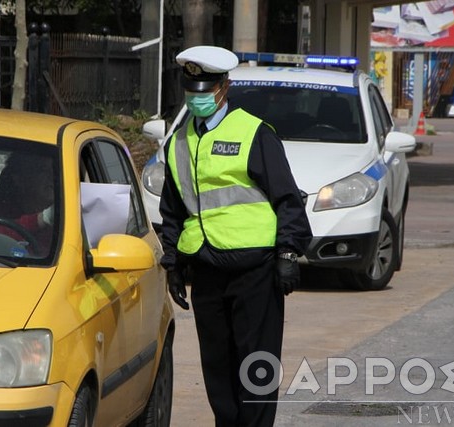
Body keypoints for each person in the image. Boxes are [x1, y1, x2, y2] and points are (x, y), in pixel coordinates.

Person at [159, 45, 313, 427]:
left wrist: (288, 255)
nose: (196, 98)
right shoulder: (179, 141)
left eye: (204, 90)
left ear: (224, 88)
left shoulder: (254, 133)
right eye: (190, 91)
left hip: (255, 272)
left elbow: (288, 199)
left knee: (255, 363)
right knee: (217, 364)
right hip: (207, 271)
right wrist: (173, 264)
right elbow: (173, 210)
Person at [0, 152, 55, 255]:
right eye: (42, 170)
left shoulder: (68, 217)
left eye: (54, 170)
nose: (52, 177)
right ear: (19, 179)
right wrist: (41, 219)